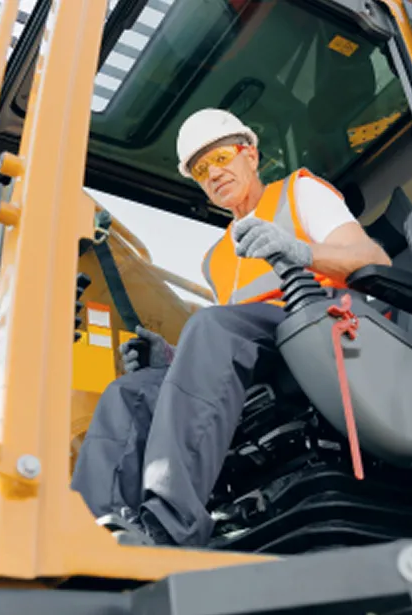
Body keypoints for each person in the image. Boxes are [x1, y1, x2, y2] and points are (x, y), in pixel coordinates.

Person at [70, 108, 390, 547]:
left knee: (209, 326)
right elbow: (226, 342)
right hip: (265, 349)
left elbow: (373, 261)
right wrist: (169, 360)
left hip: (324, 325)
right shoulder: (218, 257)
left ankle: (168, 522)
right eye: (201, 169)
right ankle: (91, 530)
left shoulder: (300, 192)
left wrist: (299, 250)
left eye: (221, 157)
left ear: (251, 156)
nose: (213, 173)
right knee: (132, 390)